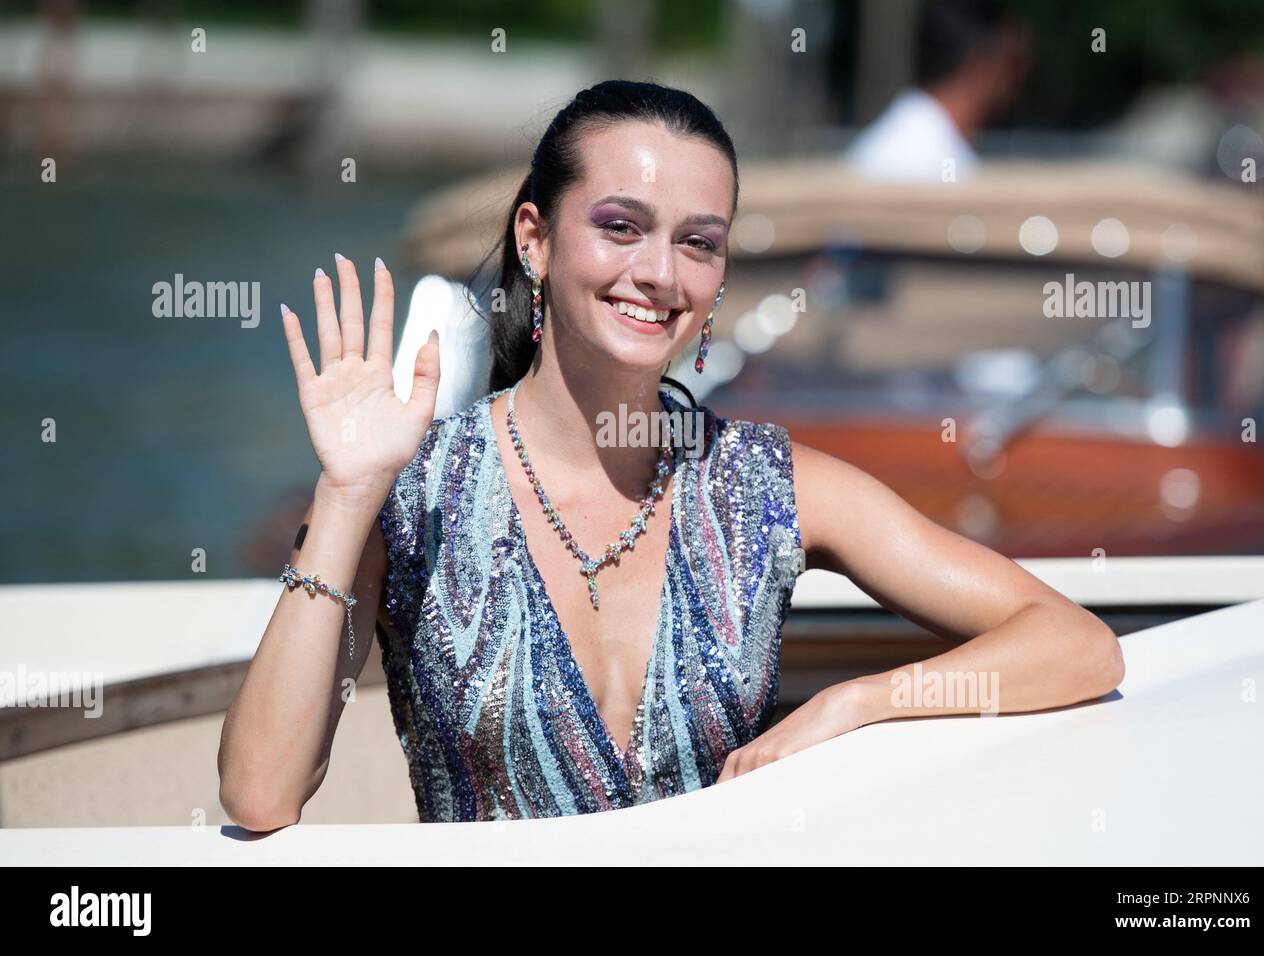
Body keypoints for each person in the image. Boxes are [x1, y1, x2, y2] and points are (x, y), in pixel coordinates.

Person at [218, 80, 1122, 829]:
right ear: (534, 238)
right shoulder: (414, 489)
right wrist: (347, 491)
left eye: (698, 242)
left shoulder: (768, 484)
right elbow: (260, 794)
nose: (660, 273)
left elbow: (1078, 646)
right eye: (621, 226)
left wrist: (859, 702)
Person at [844, 0, 1031, 183]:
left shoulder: (910, 138)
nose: (1020, 80)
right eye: (1014, 63)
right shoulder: (921, 158)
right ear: (982, 66)